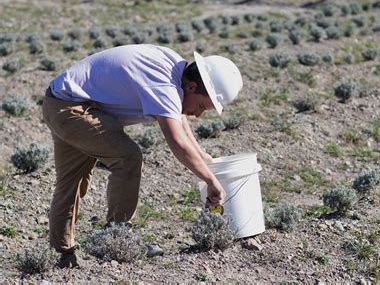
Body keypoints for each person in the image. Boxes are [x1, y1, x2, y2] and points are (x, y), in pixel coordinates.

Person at [41, 44, 243, 267]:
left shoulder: (174, 67)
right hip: (74, 109)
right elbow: (176, 141)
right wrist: (210, 180)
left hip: (60, 101)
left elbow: (179, 118)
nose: (197, 114)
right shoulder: (164, 84)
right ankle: (117, 238)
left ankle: (61, 255)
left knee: (71, 183)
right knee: (128, 158)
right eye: (202, 106)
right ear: (193, 87)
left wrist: (204, 157)